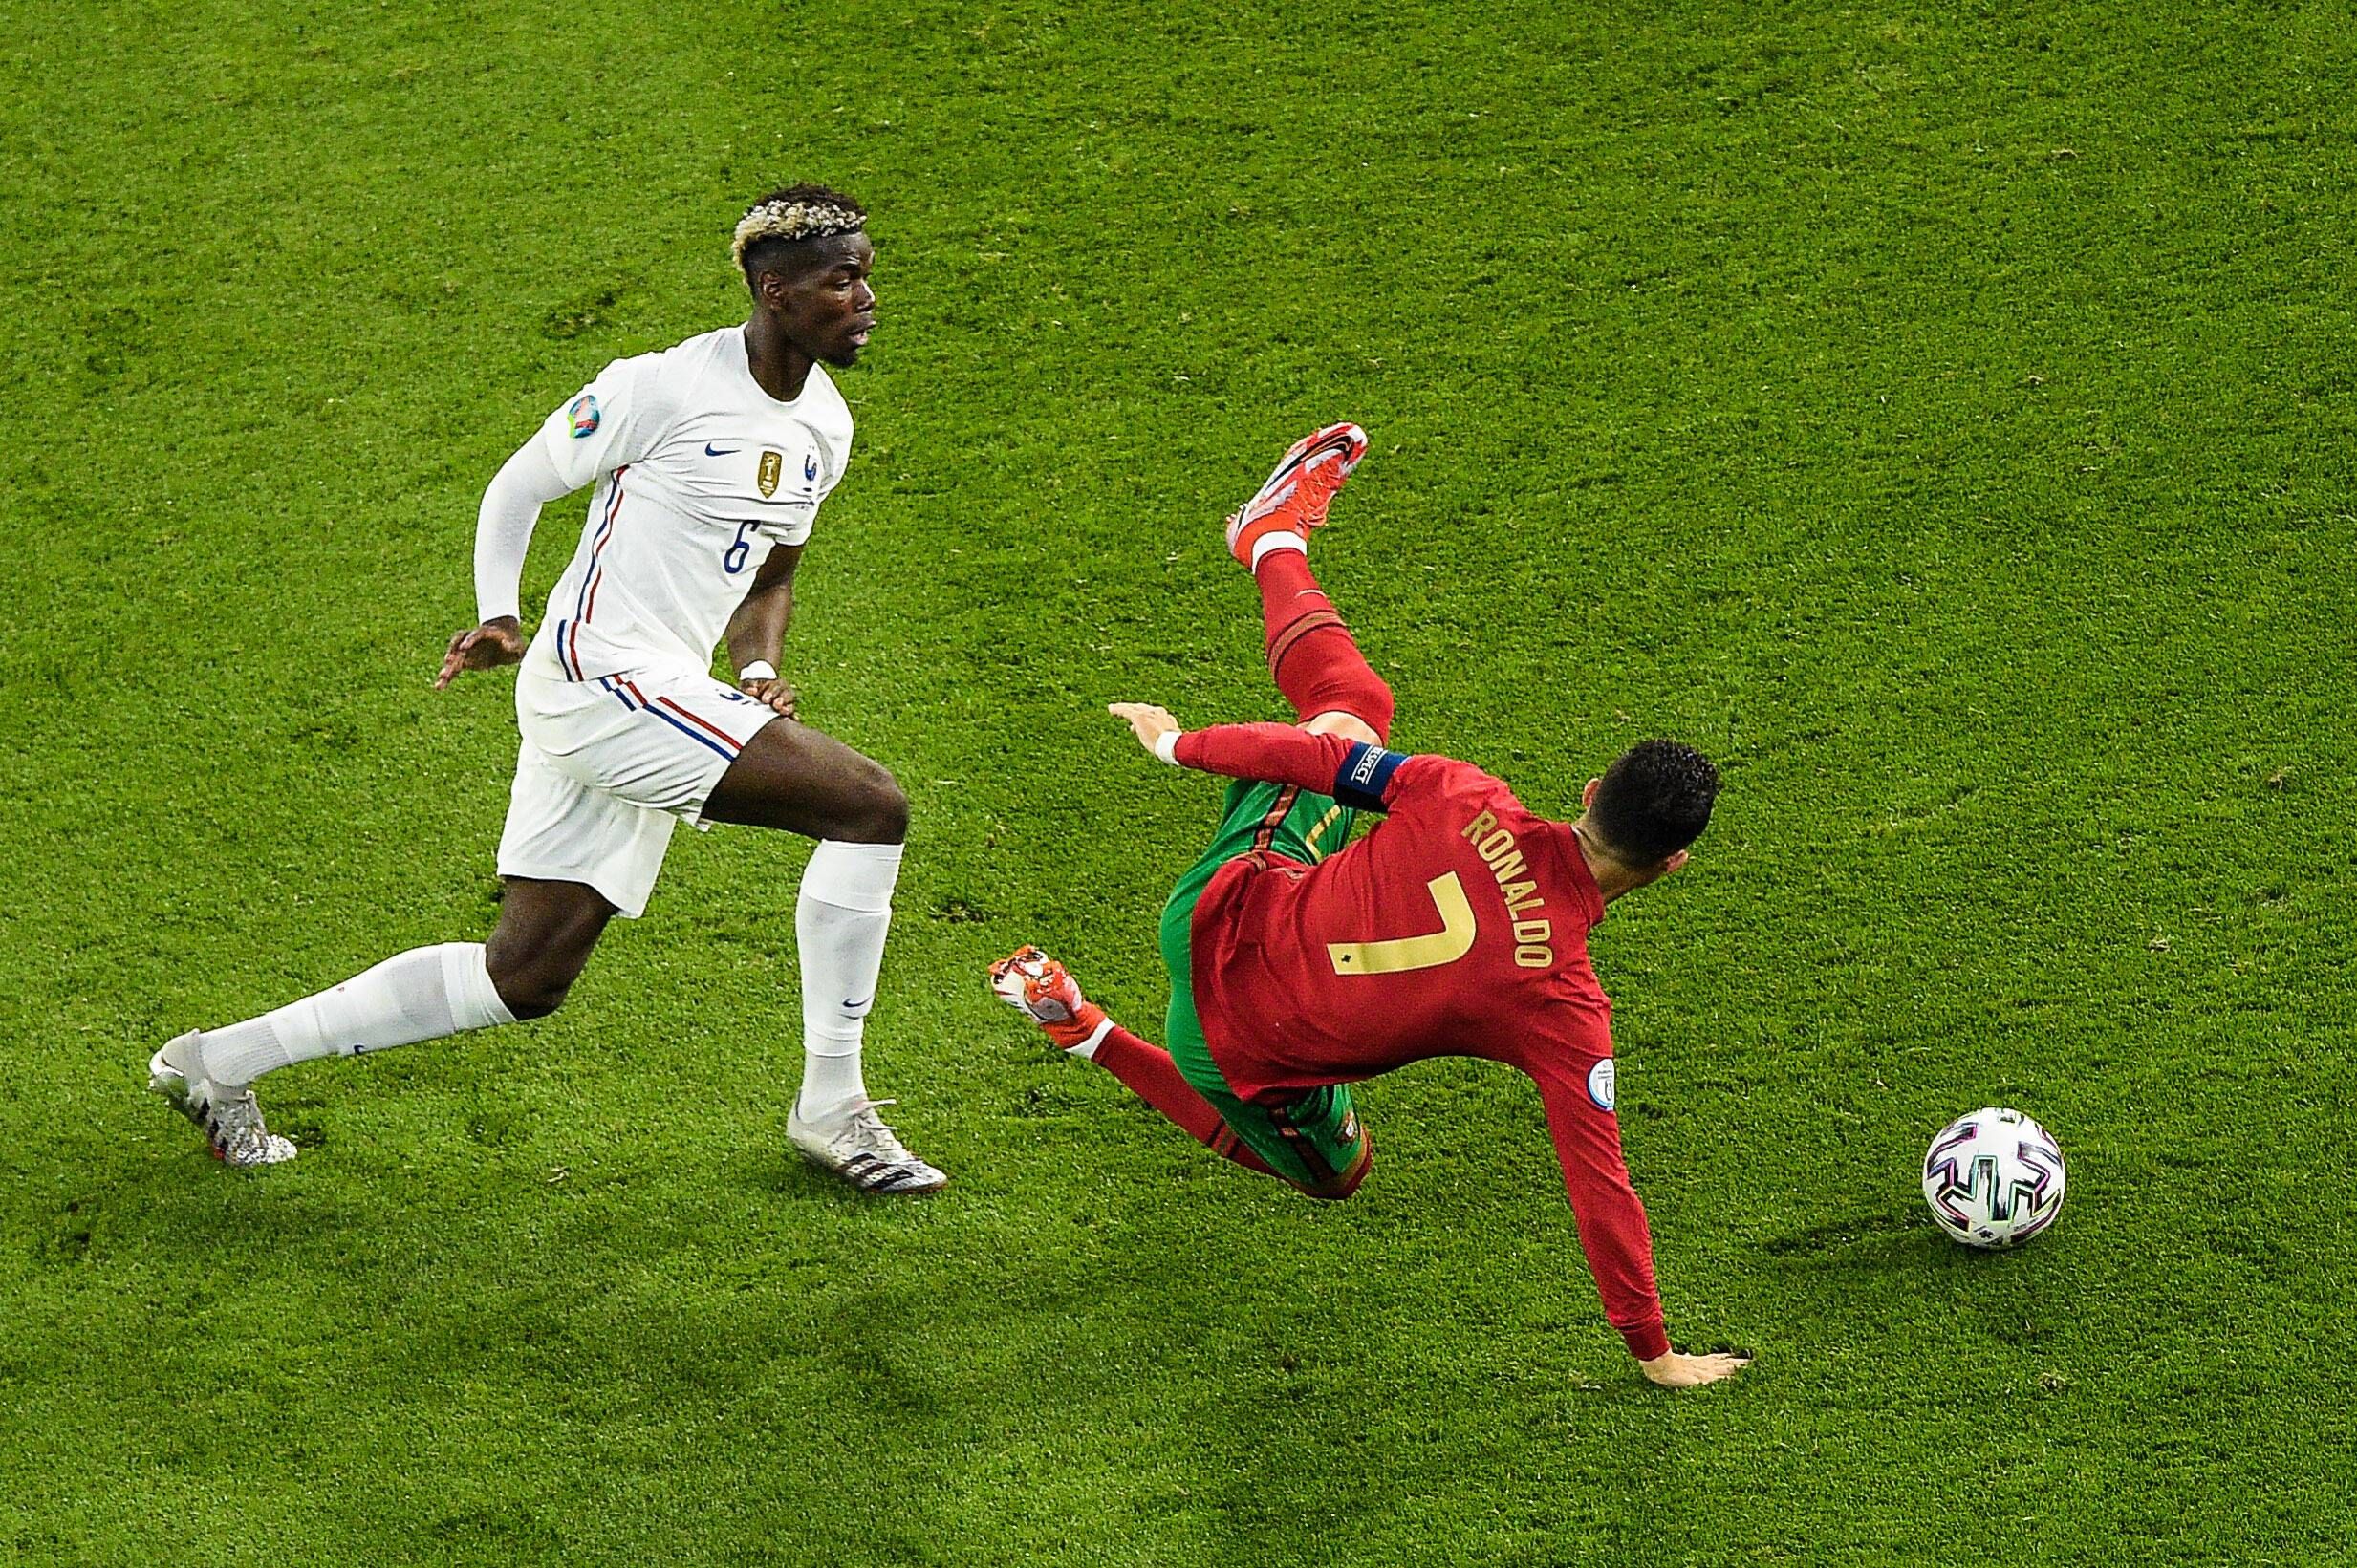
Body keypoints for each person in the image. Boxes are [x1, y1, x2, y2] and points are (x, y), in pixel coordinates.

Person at [149, 185, 946, 1193]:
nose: (867, 296)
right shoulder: (659, 386)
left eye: (867, 273)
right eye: (845, 279)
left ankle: (215, 1062)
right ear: (775, 291)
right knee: (869, 808)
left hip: (656, 690)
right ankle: (834, 1104)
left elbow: (771, 574)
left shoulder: (825, 424)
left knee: (522, 977)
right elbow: (520, 484)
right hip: (599, 682)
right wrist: (500, 613)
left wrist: (756, 671)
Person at [989, 425, 1747, 1385]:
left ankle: (1271, 544)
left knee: (1350, 712)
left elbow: (1314, 759)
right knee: (1337, 1177)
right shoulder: (1565, 1010)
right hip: (1224, 1050)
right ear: (1672, 864)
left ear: (1592, 790)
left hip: (1219, 899)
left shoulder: (1462, 791)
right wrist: (1656, 1351)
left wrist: (1177, 745)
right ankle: (1089, 1032)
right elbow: (1601, 1186)